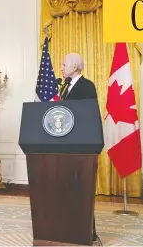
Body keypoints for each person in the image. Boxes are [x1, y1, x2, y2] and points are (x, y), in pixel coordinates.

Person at [60, 53, 99, 242]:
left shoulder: (87, 86)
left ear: (75, 66)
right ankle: (67, 227)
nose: (61, 67)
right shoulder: (64, 87)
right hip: (64, 147)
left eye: (64, 64)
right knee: (66, 191)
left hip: (81, 147)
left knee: (81, 191)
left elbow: (88, 117)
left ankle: (85, 231)